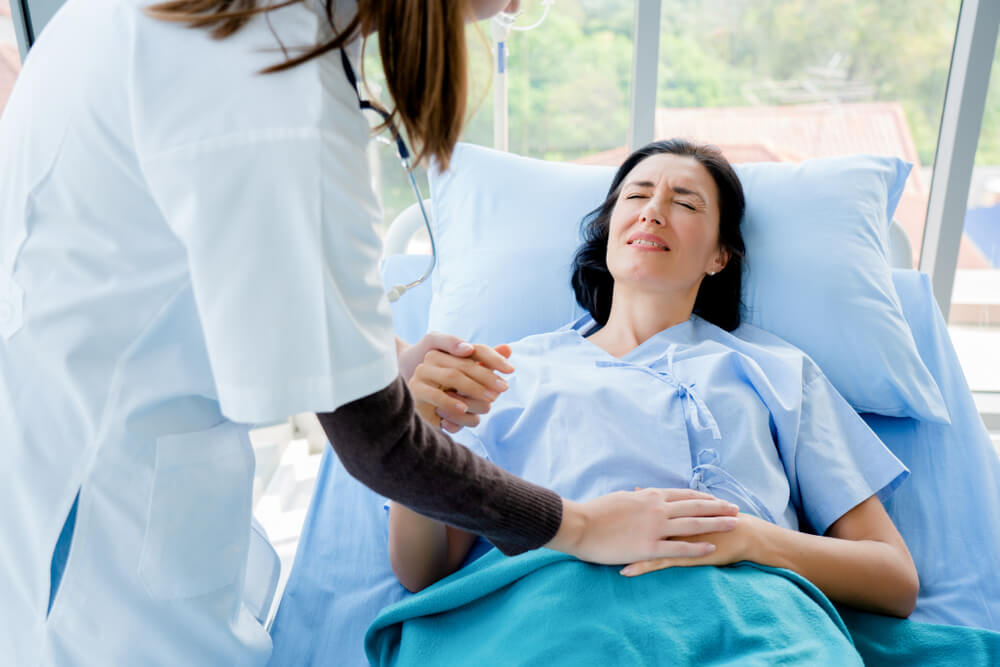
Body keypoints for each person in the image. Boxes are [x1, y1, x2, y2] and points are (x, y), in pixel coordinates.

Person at [0, 2, 739, 665]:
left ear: (721, 255)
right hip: (94, 532)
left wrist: (378, 359)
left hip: (99, 457)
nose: (516, 6)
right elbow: (382, 449)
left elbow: (234, 259)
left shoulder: (241, 36)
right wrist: (576, 523)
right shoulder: (275, 91)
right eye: (637, 192)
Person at [392, 139, 919, 624]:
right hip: (558, 618)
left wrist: (752, 539)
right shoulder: (510, 369)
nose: (652, 209)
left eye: (686, 203)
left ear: (719, 257)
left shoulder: (778, 372)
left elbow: (893, 579)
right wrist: (417, 428)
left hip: (751, 620)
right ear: (607, 233)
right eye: (636, 195)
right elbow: (425, 571)